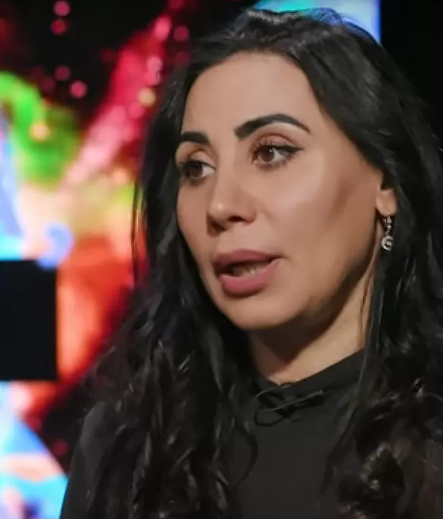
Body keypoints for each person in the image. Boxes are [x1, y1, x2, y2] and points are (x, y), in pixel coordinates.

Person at [60, 7, 443, 519]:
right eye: (196, 168)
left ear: (386, 182)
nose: (221, 205)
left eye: (272, 152)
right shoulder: (127, 449)